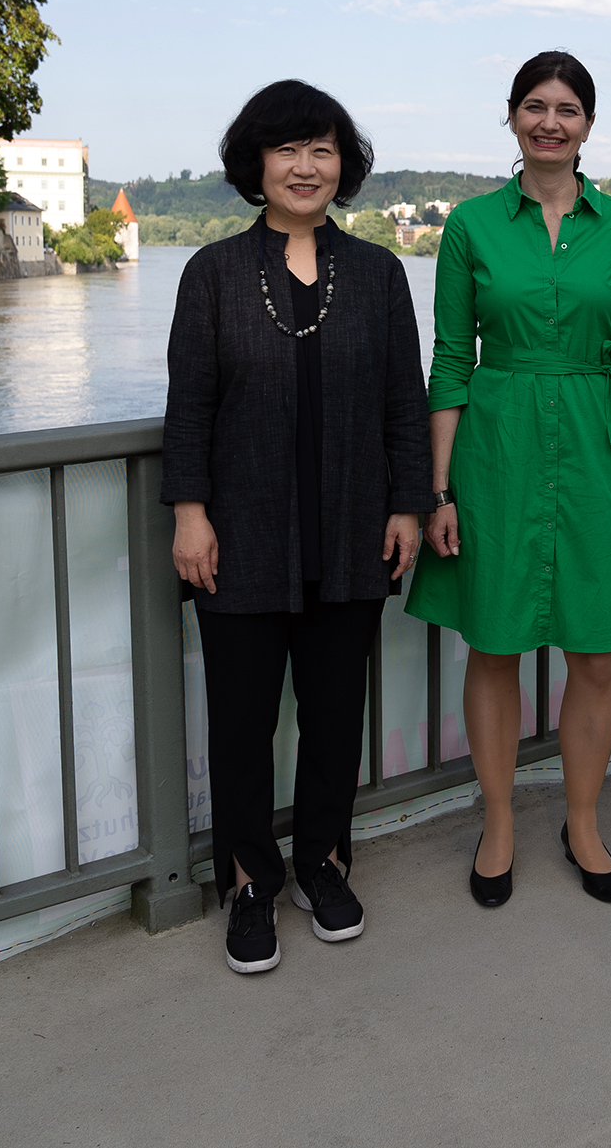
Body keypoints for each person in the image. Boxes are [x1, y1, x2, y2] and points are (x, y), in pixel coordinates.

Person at [162, 79, 429, 976]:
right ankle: (249, 879)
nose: (306, 166)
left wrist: (407, 505)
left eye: (322, 149)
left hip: (351, 533)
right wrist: (190, 513)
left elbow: (404, 403)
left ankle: (322, 860)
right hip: (240, 538)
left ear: (342, 164)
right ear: (258, 164)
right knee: (240, 723)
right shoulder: (212, 273)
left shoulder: (379, 274)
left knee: (334, 716)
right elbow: (190, 406)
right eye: (288, 150)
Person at [408, 51, 611, 909]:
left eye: (567, 109)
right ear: (513, 116)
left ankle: (583, 822)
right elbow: (452, 360)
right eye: (534, 105)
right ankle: (498, 822)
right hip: (496, 454)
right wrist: (440, 490)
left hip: (600, 457)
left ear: (588, 125)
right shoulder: (470, 225)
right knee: (494, 645)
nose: (550, 122)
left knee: (596, 652)